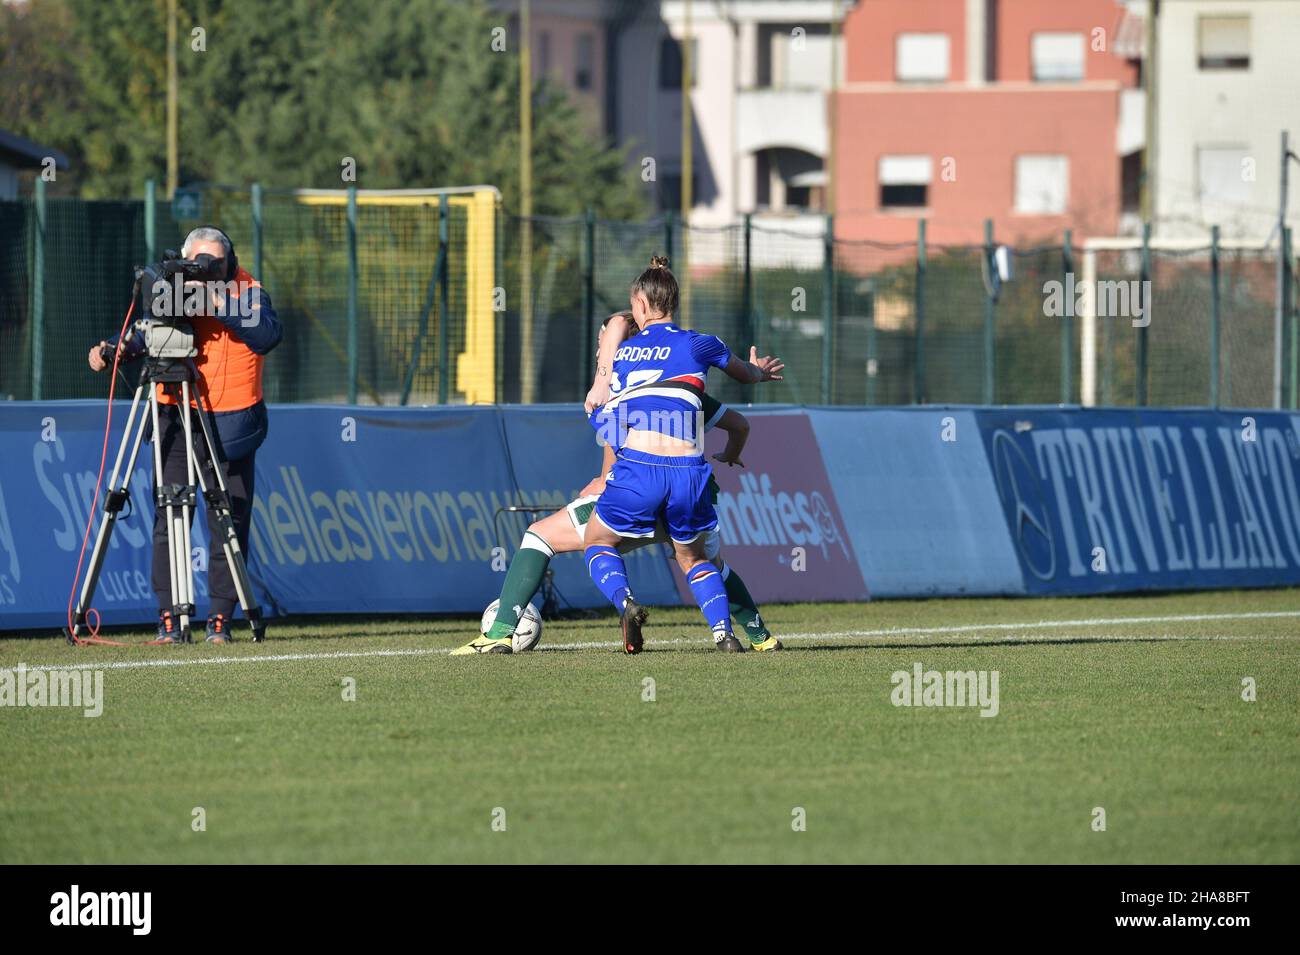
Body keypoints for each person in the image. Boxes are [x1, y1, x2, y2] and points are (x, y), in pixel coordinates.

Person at [452, 313, 779, 655]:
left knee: (539, 536)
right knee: (711, 565)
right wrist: (730, 452)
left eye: (601, 341)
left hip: (635, 494)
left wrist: (605, 478)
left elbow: (615, 442)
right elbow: (739, 424)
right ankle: (759, 636)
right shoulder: (683, 386)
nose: (598, 351)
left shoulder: (613, 387)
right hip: (688, 496)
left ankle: (501, 632)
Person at [88, 226, 281, 643]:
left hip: (232, 428)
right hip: (177, 415)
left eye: (213, 264)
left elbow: (266, 334)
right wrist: (113, 348)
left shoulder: (248, 293)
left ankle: (220, 620)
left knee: (227, 521)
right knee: (169, 515)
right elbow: (149, 334)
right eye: (197, 263)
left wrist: (214, 299)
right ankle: (170, 620)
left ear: (231, 262)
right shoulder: (171, 289)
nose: (204, 271)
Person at [585, 256, 783, 653]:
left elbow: (605, 412)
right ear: (674, 302)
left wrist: (609, 352)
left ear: (640, 305)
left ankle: (625, 602)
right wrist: (758, 371)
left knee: (596, 541)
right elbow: (744, 375)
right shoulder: (699, 343)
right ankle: (724, 635)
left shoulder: (623, 354)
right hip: (689, 471)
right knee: (694, 559)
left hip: (638, 467)